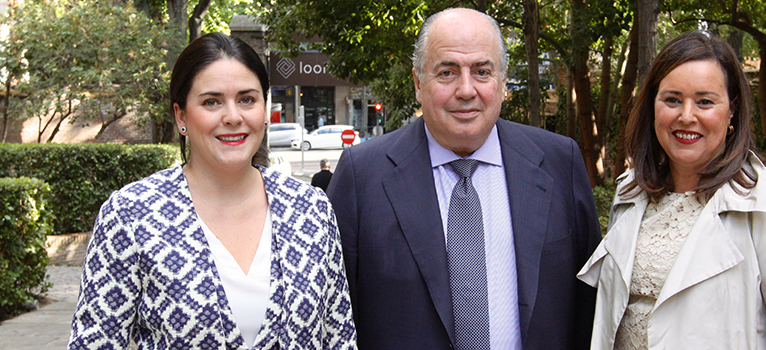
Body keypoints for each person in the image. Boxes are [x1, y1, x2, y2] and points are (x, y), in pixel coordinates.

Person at [327, 7, 601, 350]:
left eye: (482, 71)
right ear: (418, 83)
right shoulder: (361, 175)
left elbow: (589, 305)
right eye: (447, 72)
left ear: (501, 83)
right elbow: (334, 316)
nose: (466, 90)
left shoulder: (560, 162)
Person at [68, 33, 356, 349]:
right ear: (181, 116)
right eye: (211, 102)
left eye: (247, 99)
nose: (233, 117)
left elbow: (339, 338)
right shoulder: (132, 215)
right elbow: (94, 341)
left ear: (264, 107)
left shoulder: (310, 210)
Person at [577, 31, 766, 349]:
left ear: (732, 109)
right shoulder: (630, 192)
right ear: (653, 106)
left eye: (704, 102)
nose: (686, 116)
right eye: (672, 100)